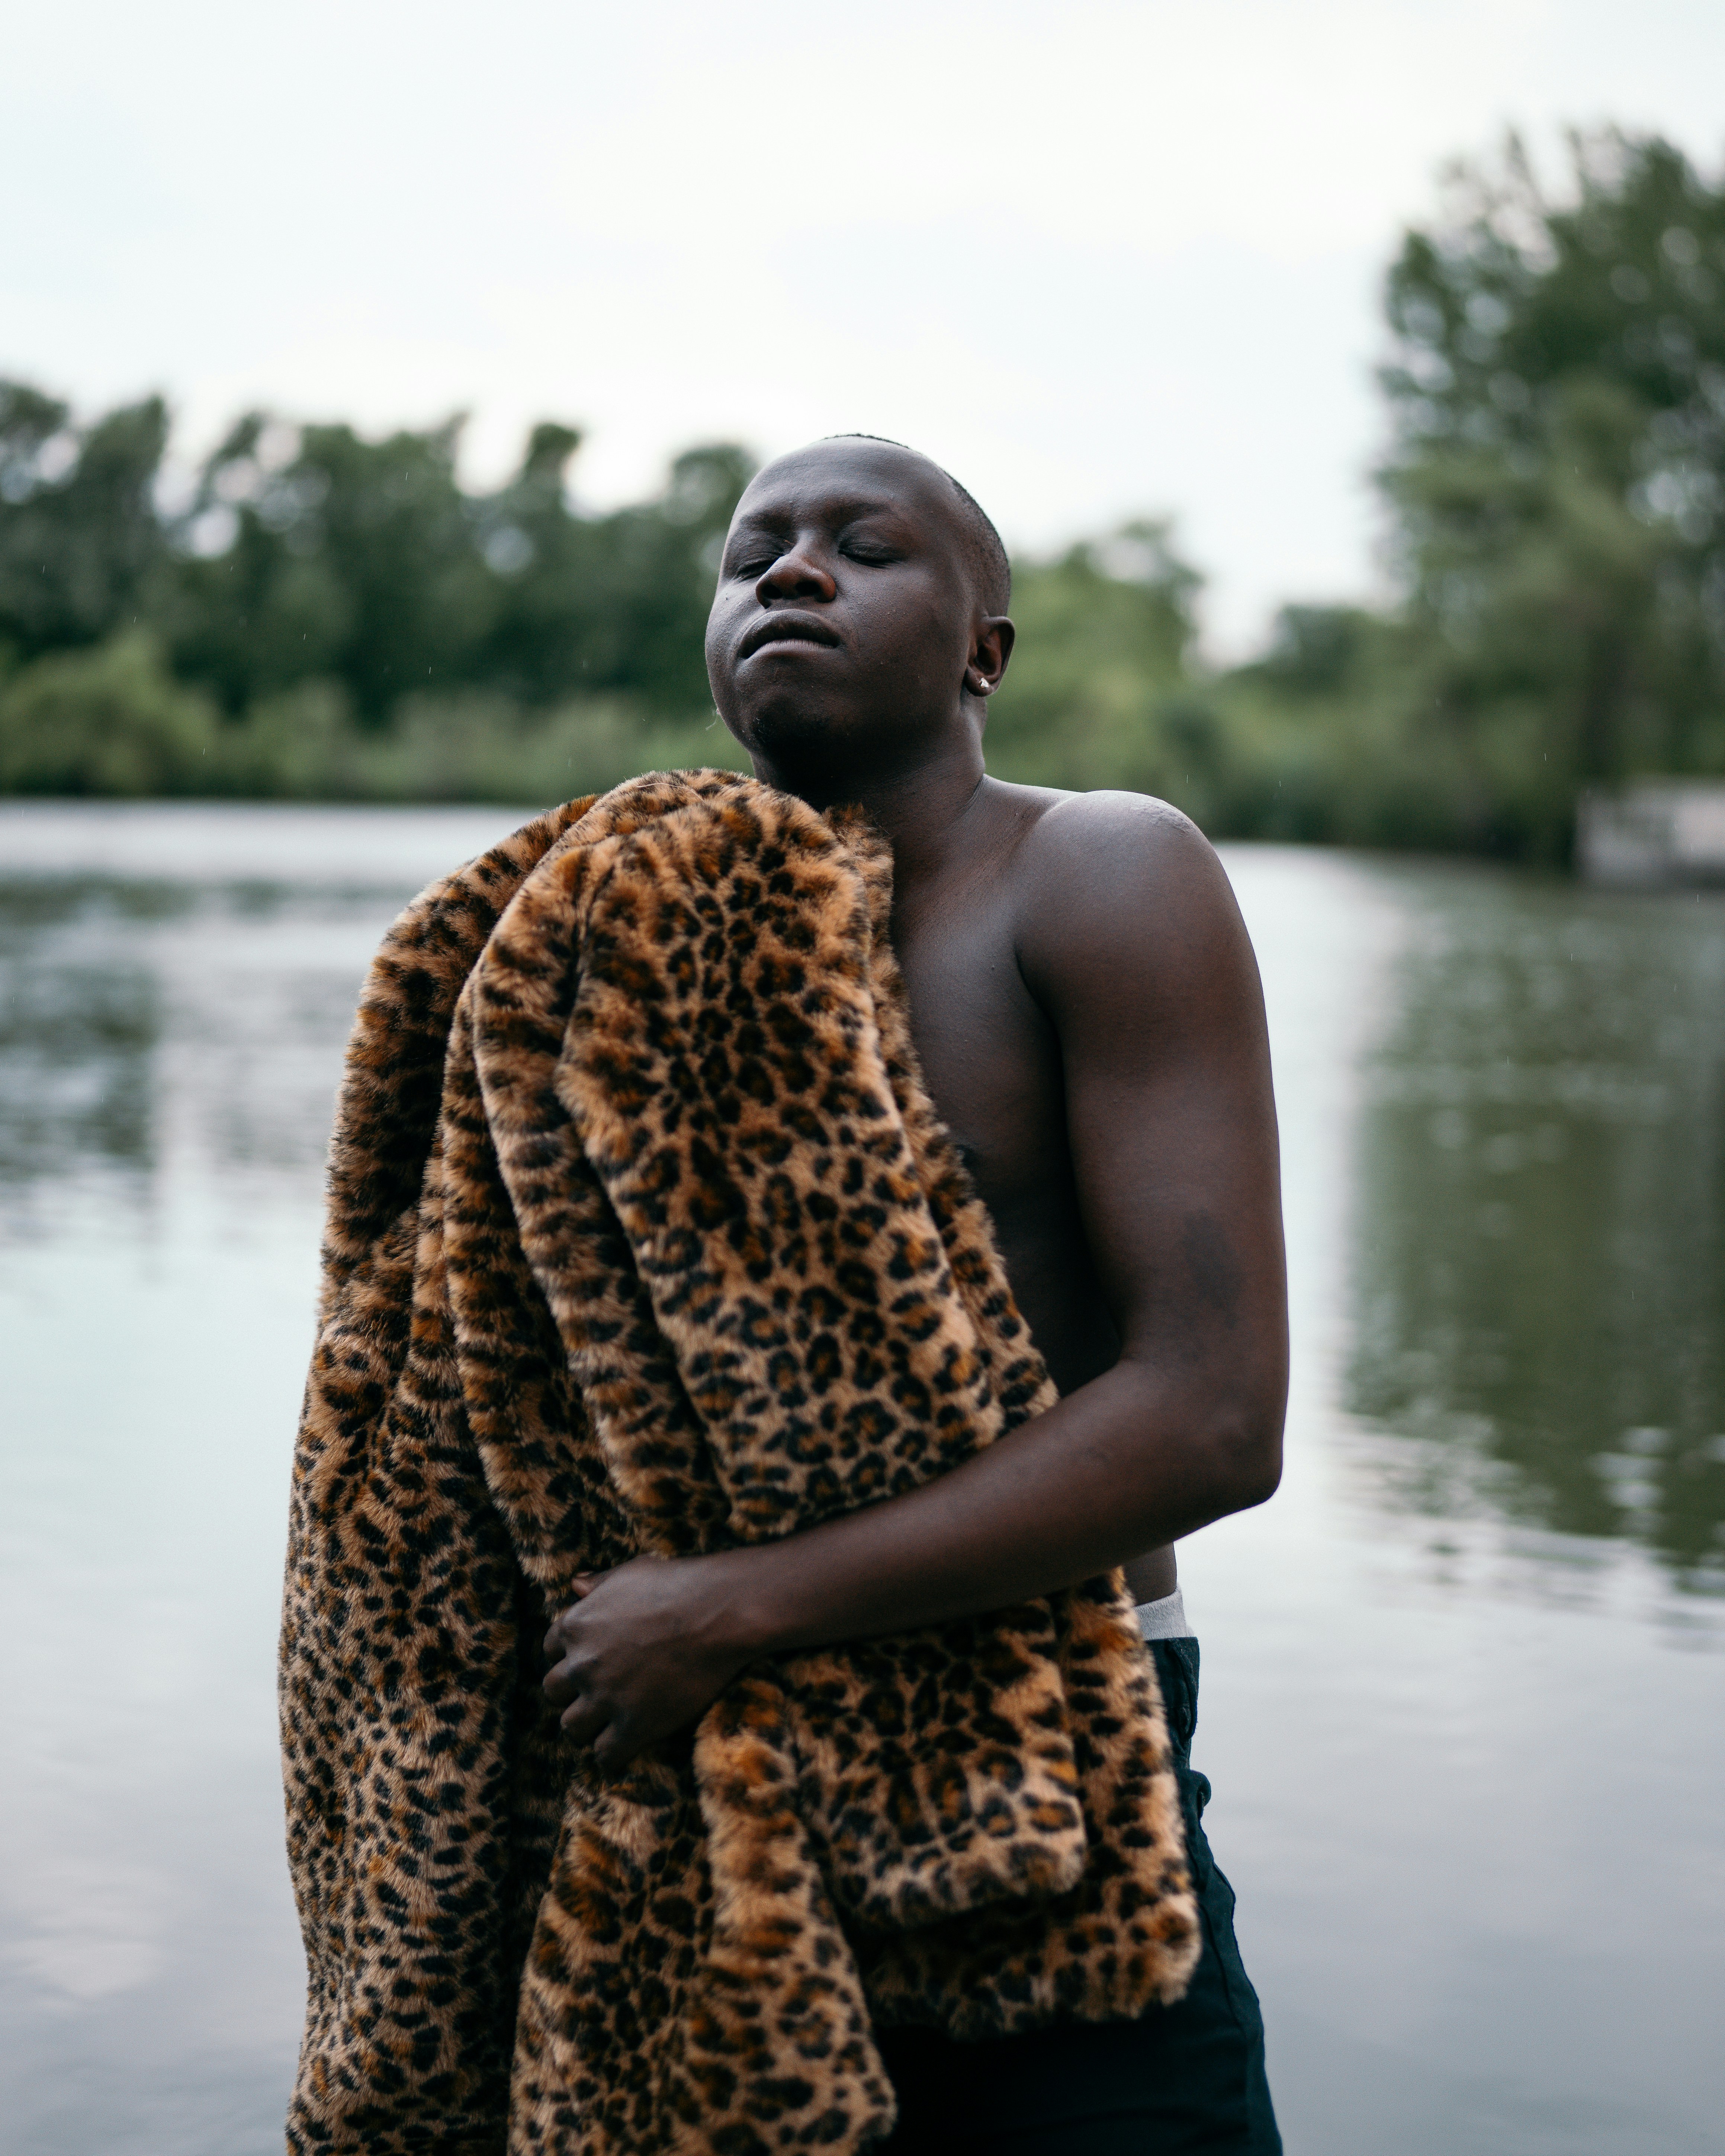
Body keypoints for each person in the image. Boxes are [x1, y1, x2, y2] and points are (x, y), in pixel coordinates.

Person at [541, 435, 1288, 2153]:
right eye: (752, 554)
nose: (788, 574)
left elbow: (1214, 1415)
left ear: (982, 650)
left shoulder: (1096, 873)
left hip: (1051, 1756)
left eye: (860, 547)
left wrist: (733, 1606)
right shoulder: (631, 927)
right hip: (709, 1778)